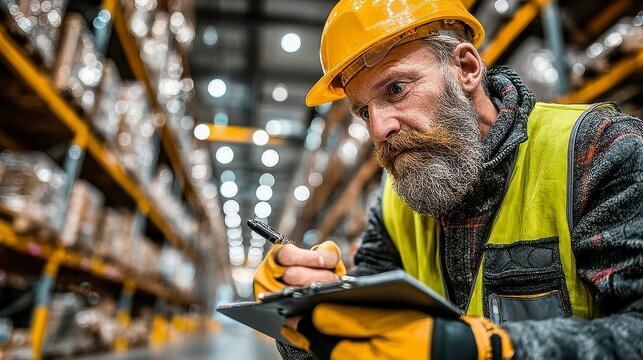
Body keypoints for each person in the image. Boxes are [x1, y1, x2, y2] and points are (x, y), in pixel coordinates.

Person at [253, 0, 643, 359]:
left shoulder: (597, 150)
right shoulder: (394, 203)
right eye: (363, 112)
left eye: (396, 89)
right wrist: (305, 314)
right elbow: (364, 347)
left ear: (467, 69)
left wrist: (488, 350)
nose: (379, 128)